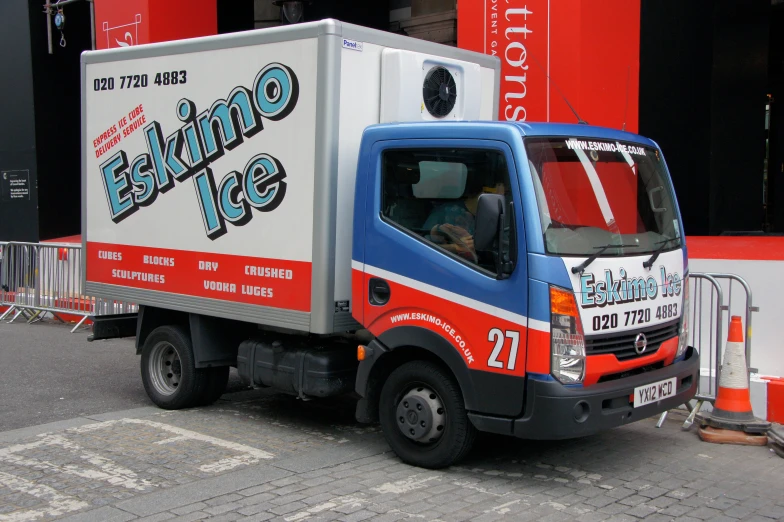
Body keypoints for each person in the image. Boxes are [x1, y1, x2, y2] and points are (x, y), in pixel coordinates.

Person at [423, 182, 505, 262]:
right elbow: (423, 248)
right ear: (483, 195)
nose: (498, 205)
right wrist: (455, 247)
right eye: (496, 198)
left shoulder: (494, 219)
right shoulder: (445, 212)